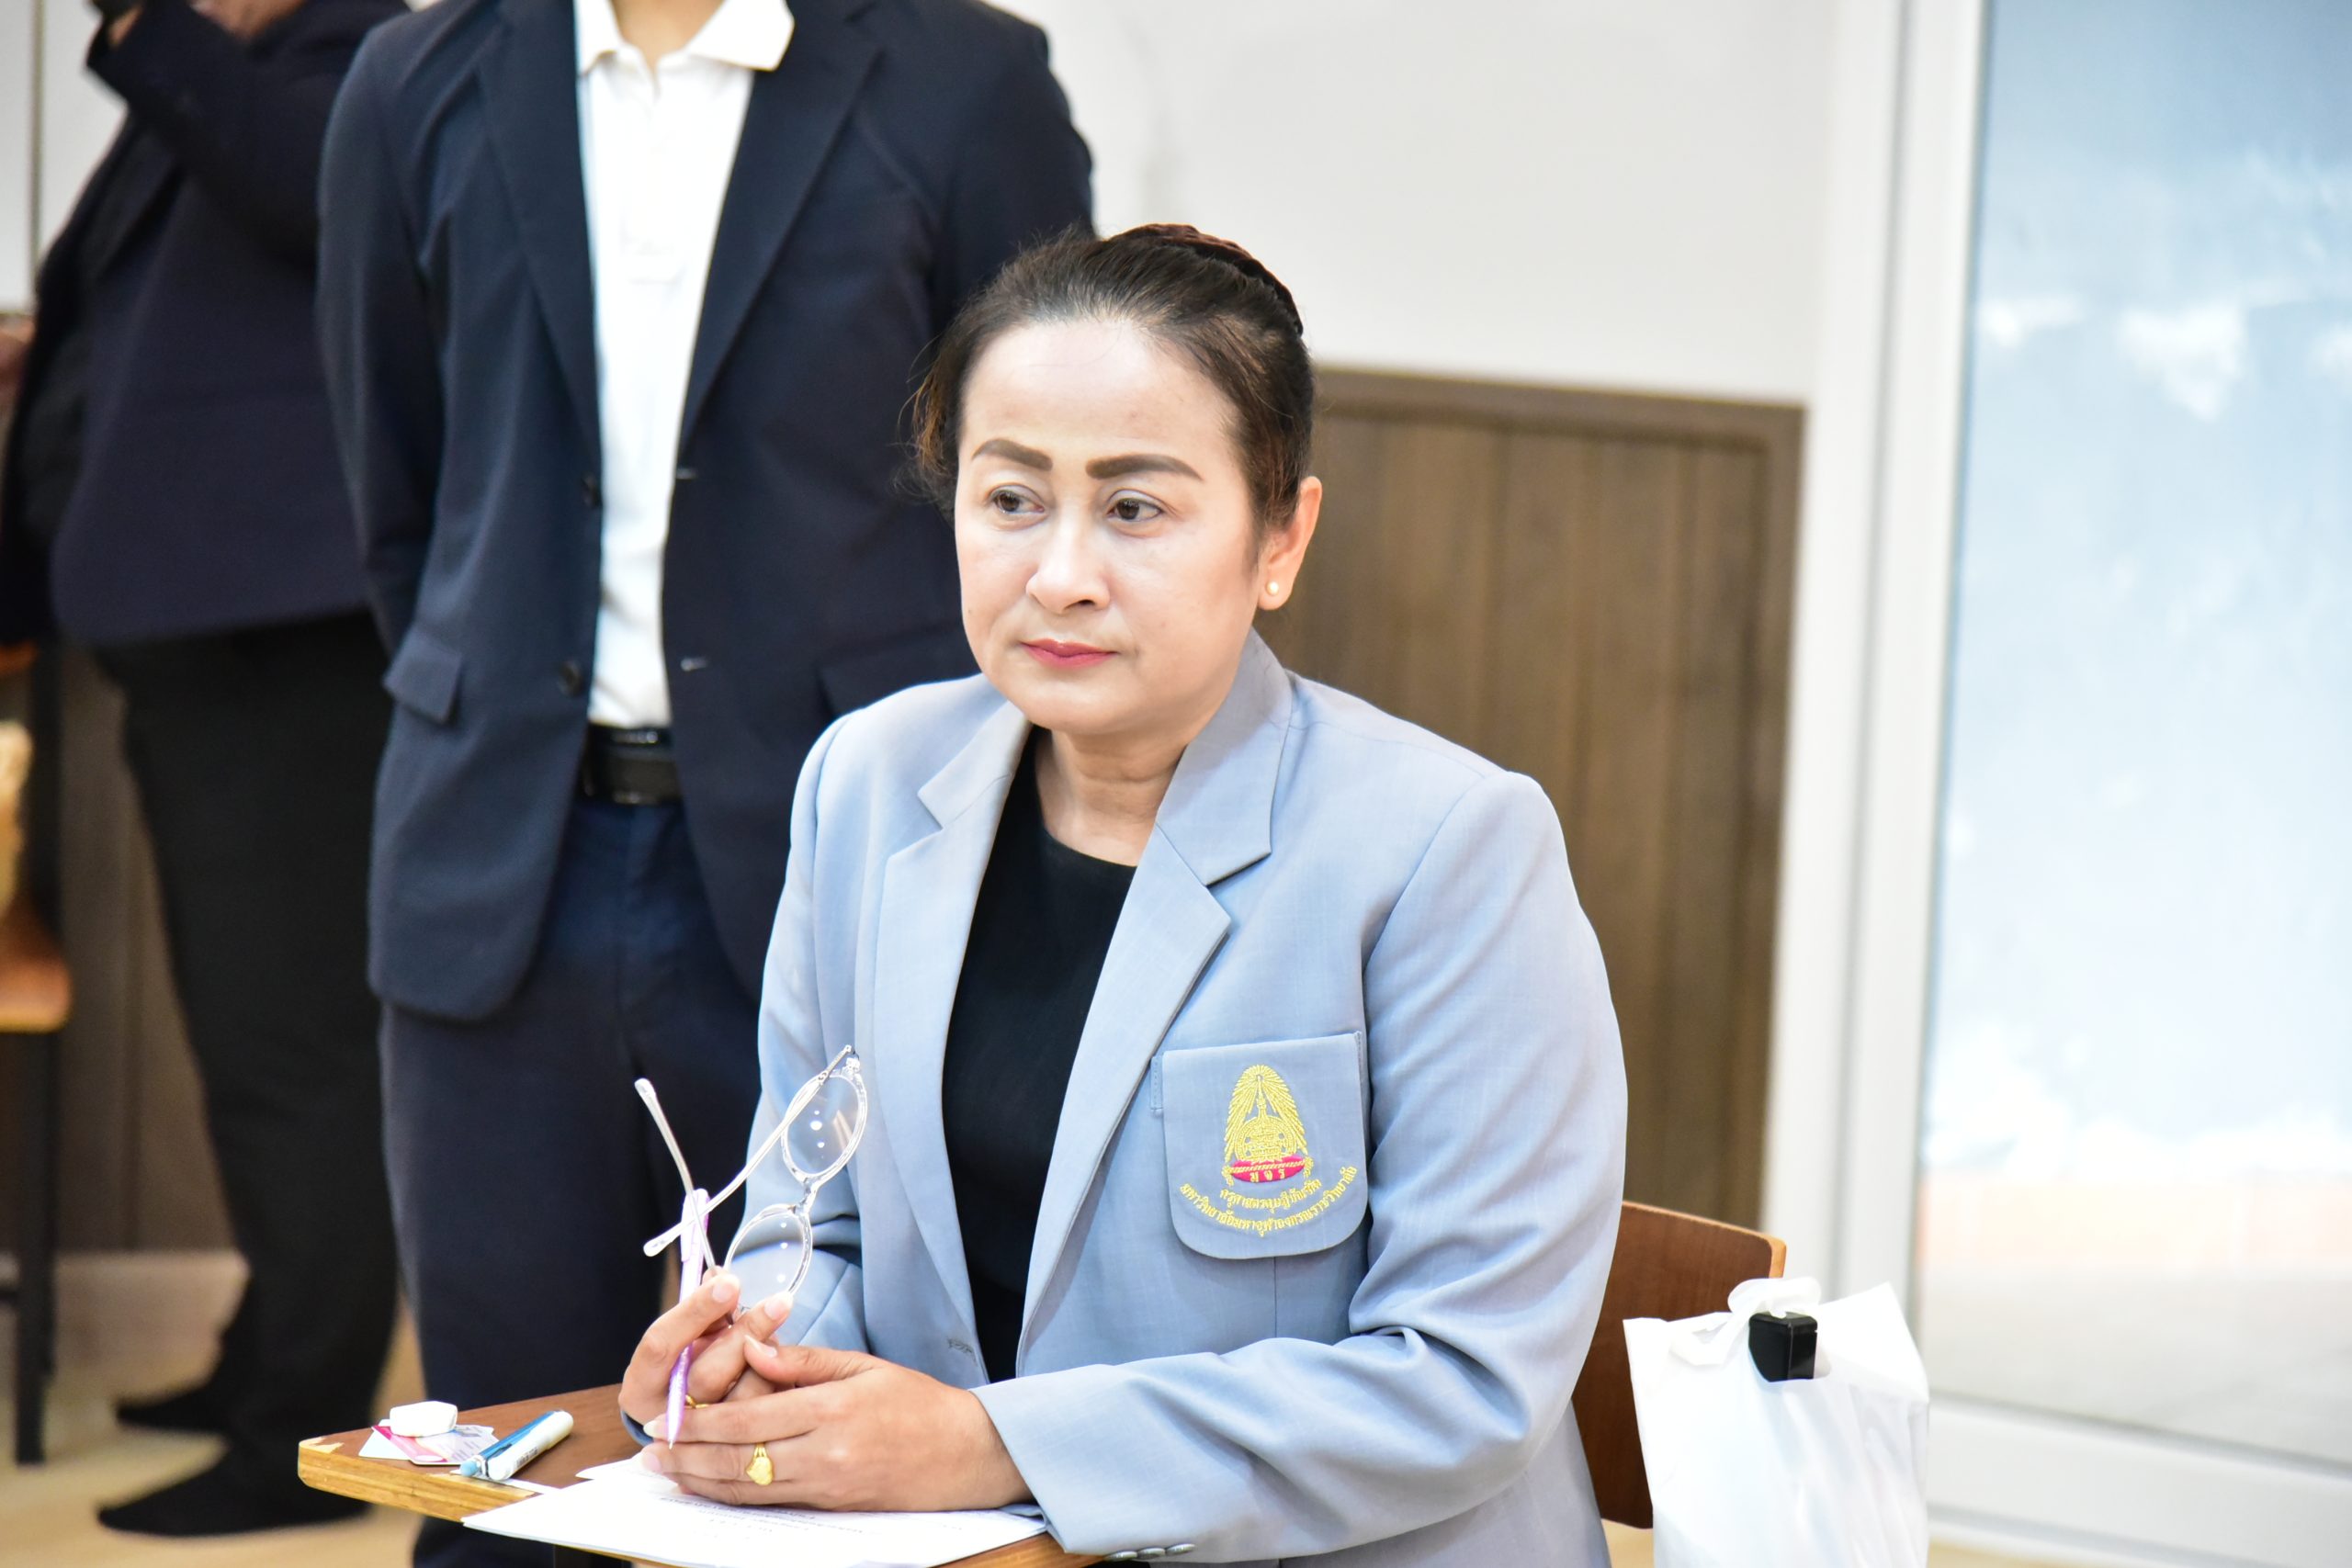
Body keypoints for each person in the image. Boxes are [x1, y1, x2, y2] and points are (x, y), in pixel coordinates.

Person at [620, 226, 1631, 1566]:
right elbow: (817, 1231)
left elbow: (1462, 1378)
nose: (1061, 576)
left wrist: (988, 1446)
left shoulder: (1448, 848)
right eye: (1010, 499)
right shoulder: (867, 782)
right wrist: (752, 1369)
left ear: (1281, 539)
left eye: (1136, 509)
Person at [316, 0, 1089, 1561]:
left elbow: (1040, 453)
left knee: (812, 1439)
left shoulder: (965, 79)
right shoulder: (416, 77)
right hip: (500, 845)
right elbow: (395, 479)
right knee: (499, 1467)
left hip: (847, 864)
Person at [0, 0, 405, 1537]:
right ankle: (267, 1363)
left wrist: (149, 28)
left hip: (283, 648)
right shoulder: (251, 75)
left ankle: (308, 1424)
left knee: (294, 1049)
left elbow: (310, 195)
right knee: (252, 1039)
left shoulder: (366, 56)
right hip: (201, 641)